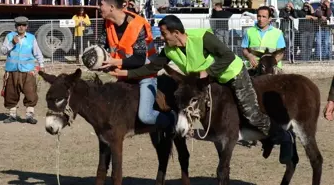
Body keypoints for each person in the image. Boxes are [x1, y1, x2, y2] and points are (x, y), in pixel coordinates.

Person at [109, 15, 294, 164]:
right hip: (210, 82)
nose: (162, 37)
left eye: (164, 34)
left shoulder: (202, 37)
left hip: (233, 74)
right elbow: (151, 68)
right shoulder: (169, 50)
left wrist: (207, 71)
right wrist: (124, 71)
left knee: (251, 112)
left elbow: (228, 56)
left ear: (175, 33)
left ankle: (283, 138)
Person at [96, 0, 176, 131]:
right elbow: (101, 47)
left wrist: (115, 62)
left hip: (145, 74)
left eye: (101, 4)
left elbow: (139, 59)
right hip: (123, 75)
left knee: (145, 116)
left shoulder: (138, 24)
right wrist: (97, 62)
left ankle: (171, 119)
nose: (98, 7)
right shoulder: (107, 23)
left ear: (111, 7)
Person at [0, 16, 45, 124]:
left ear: (26, 27)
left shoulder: (31, 38)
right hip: (12, 70)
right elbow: (3, 51)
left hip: (28, 71)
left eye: (23, 25)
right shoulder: (10, 36)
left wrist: (41, 64)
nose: (21, 27)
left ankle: (29, 115)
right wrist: (12, 43)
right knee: (11, 93)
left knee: (31, 93)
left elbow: (37, 52)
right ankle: (12, 115)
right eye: (19, 25)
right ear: (15, 26)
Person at [242, 6, 286, 73]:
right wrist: (249, 55)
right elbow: (244, 49)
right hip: (253, 67)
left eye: (264, 16)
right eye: (259, 16)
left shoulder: (278, 33)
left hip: (272, 68)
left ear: (270, 18)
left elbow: (281, 53)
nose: (260, 19)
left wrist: (271, 63)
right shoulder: (249, 31)